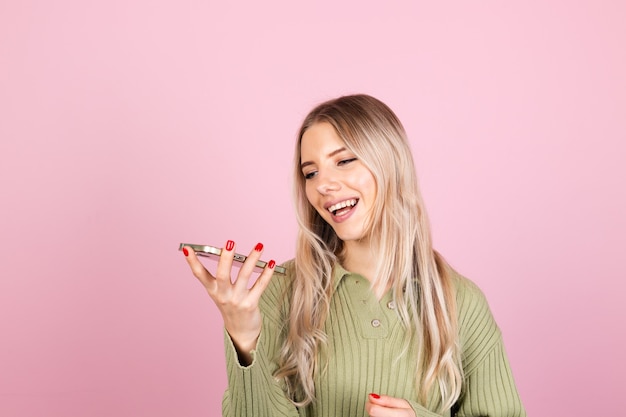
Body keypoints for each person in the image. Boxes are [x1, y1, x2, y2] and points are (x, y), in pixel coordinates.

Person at [182, 94, 526, 417]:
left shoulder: (461, 302)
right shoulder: (280, 294)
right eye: (310, 172)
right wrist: (243, 337)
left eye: (344, 161)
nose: (323, 185)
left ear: (391, 164)